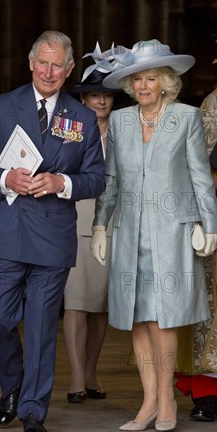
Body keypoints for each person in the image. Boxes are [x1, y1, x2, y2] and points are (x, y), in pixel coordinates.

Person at [0, 30, 105, 432]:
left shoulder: (80, 117)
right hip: (4, 232)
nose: (48, 71)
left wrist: (63, 182)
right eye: (42, 62)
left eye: (57, 64)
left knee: (43, 326)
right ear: (30, 63)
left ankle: (32, 410)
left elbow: (97, 178)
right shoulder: (3, 107)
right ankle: (13, 385)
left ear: (69, 69)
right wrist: (7, 176)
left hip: (52, 237)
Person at [90, 39, 217, 432]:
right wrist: (100, 225)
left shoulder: (186, 118)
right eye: (137, 79)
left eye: (151, 78)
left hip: (172, 232)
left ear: (165, 82)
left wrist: (209, 225)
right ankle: (147, 402)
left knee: (163, 319)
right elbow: (110, 180)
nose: (144, 85)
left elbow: (200, 175)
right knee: (138, 319)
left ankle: (166, 401)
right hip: (131, 233)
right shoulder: (122, 122)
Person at [175, 25, 217, 421]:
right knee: (210, 295)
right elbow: (189, 164)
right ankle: (208, 393)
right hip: (216, 213)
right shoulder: (212, 104)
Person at [63, 43, 127, 403]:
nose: (101, 102)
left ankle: (91, 372)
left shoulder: (122, 130)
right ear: (83, 99)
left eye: (107, 95)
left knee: (100, 304)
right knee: (75, 301)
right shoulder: (71, 127)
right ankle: (74, 377)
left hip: (113, 222)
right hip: (75, 218)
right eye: (94, 95)